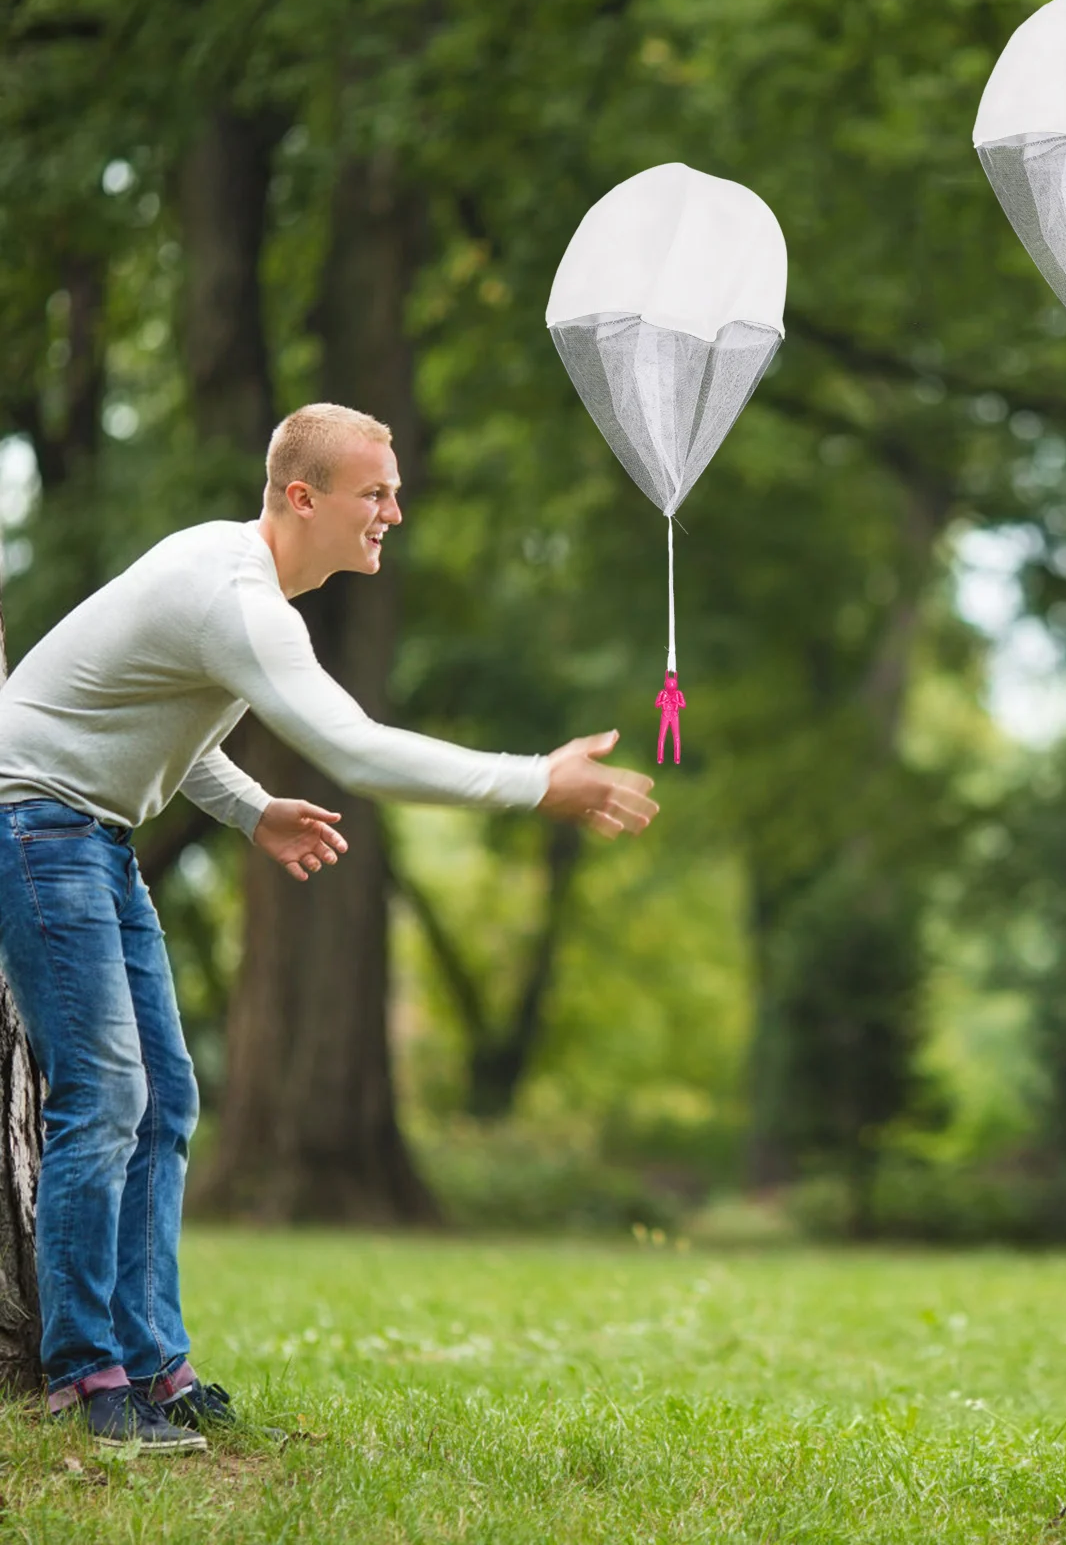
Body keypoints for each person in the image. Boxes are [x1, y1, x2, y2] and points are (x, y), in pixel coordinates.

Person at [0, 403, 659, 1454]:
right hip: (36, 822)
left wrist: (252, 808)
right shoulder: (237, 597)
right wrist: (536, 781)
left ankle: (154, 1363)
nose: (394, 511)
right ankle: (86, 1379)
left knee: (165, 1095)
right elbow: (356, 750)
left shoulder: (237, 585)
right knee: (107, 1093)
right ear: (303, 497)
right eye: (375, 493)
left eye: (394, 491)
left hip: (89, 829)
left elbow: (147, 715)